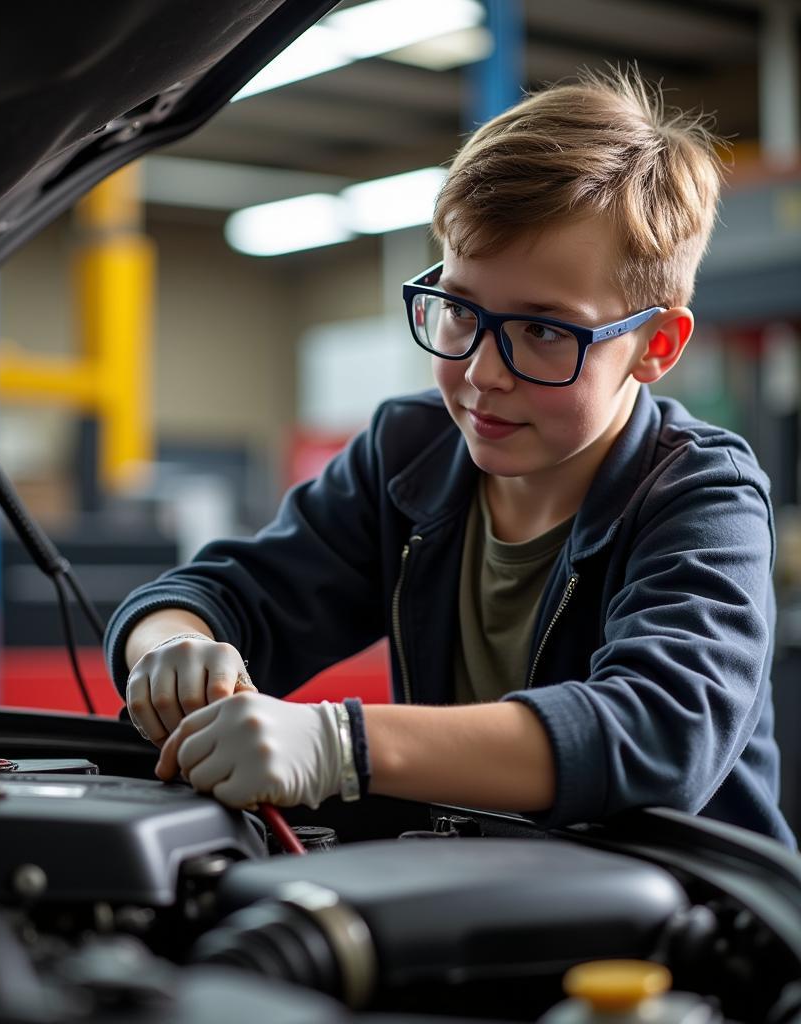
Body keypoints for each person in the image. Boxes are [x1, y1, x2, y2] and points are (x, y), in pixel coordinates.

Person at [104, 67, 796, 849]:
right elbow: (229, 594)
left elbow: (660, 732)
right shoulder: (411, 453)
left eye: (543, 332)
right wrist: (172, 647)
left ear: (655, 347)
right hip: (486, 897)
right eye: (460, 310)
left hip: (691, 924)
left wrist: (342, 747)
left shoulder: (702, 496)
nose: (479, 374)